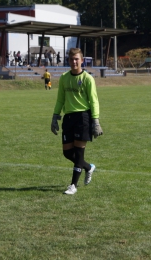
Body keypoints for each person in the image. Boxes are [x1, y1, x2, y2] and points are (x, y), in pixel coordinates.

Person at [51, 48, 103, 195]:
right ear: (69, 60)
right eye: (71, 59)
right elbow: (60, 99)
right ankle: (88, 167)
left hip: (83, 118)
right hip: (68, 118)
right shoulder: (64, 78)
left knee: (79, 154)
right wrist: (55, 116)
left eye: (76, 59)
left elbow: (94, 101)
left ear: (81, 61)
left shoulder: (87, 79)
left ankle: (73, 185)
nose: (74, 62)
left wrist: (96, 121)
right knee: (67, 153)